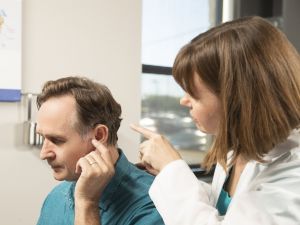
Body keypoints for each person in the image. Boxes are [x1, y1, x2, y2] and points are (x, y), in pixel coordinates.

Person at [130, 16, 300, 224]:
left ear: (236, 98)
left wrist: (172, 171)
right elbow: (227, 209)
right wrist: (171, 177)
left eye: (194, 94)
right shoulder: (236, 150)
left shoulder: (293, 175)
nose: (184, 101)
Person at [36, 76, 164, 225]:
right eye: (42, 138)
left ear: (98, 136)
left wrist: (87, 204)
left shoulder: (156, 203)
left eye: (56, 140)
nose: (43, 154)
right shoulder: (56, 197)